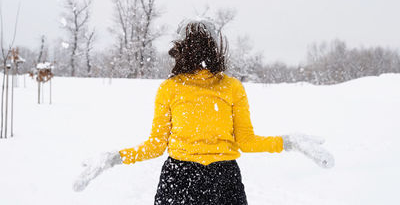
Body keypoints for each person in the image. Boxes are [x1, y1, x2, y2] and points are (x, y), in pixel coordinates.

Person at [73, 18, 334, 204]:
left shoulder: (170, 88)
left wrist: (115, 158)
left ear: (181, 49)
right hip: (223, 181)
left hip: (180, 181)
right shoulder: (232, 87)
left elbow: (155, 146)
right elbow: (247, 142)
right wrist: (287, 143)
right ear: (215, 48)